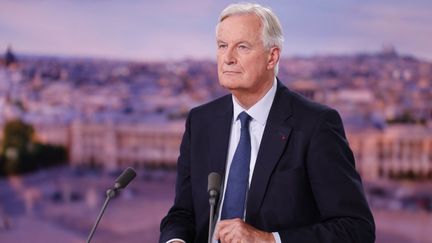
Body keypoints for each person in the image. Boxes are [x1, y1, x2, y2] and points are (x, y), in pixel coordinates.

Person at [159, 2, 375, 243]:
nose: (228, 58)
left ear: (272, 57)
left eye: (242, 47)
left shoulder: (315, 125)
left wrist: (270, 240)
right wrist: (175, 240)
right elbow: (182, 213)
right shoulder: (201, 121)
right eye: (222, 46)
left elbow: (356, 229)